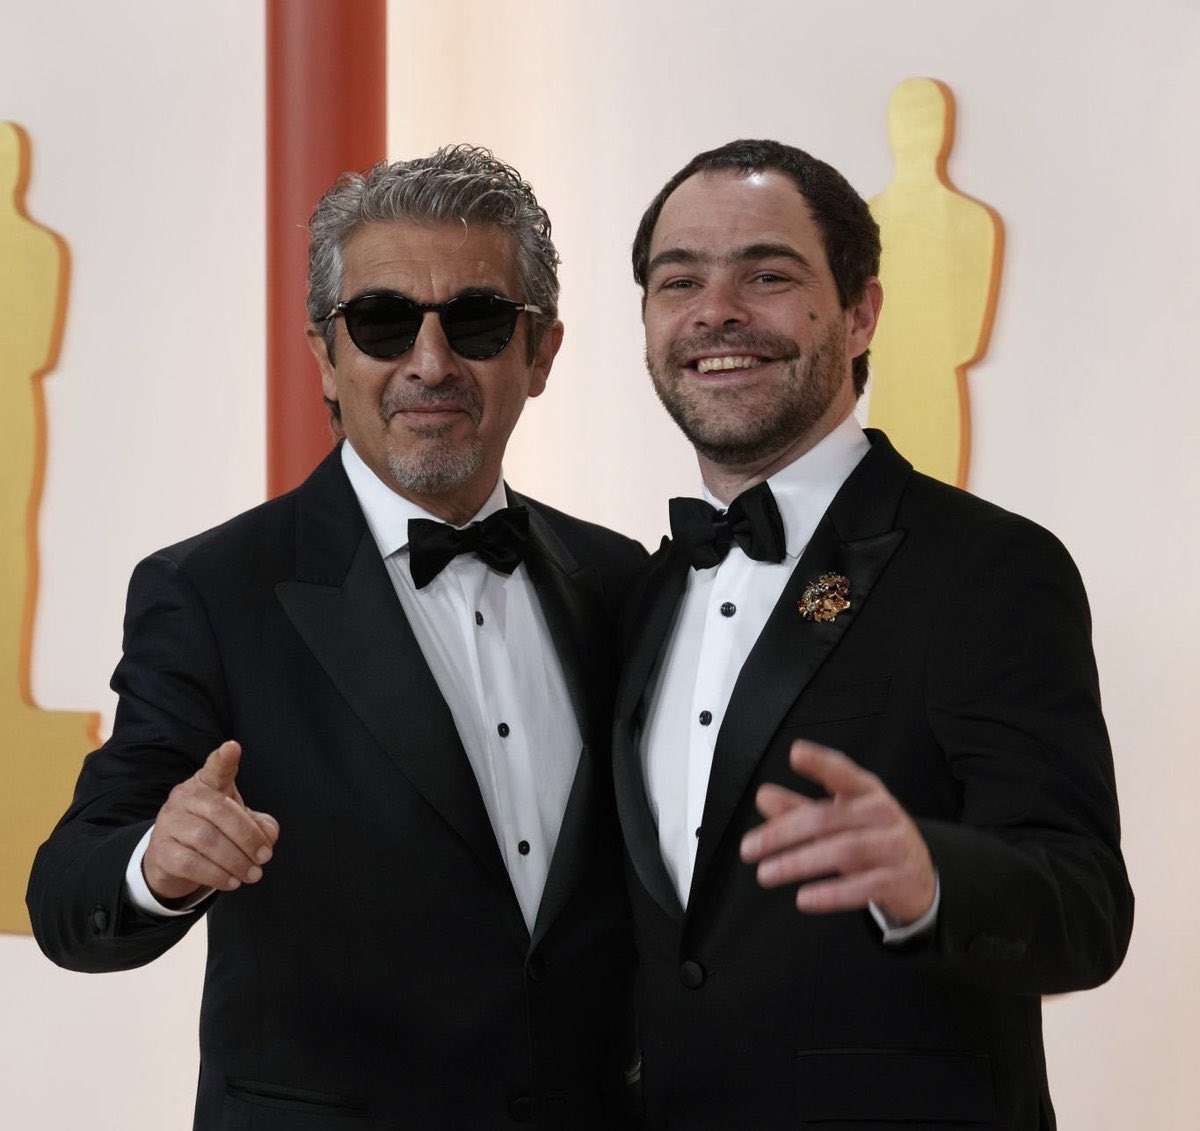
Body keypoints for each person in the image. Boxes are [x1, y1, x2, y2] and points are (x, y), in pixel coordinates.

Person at [28, 146, 644, 1129]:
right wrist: (158, 860)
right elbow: (68, 895)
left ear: (541, 353)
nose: (430, 363)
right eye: (383, 321)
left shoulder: (623, 584)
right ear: (326, 354)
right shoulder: (211, 594)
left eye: (477, 322)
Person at [612, 138, 1133, 1130]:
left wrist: (931, 876)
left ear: (860, 313)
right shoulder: (643, 592)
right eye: (680, 281)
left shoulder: (987, 569)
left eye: (767, 274)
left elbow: (1086, 909)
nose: (717, 310)